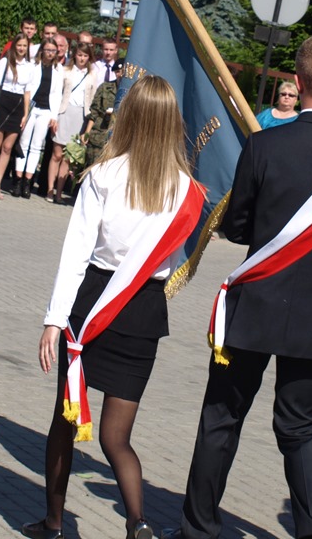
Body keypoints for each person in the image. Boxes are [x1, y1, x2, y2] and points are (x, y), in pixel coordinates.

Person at [164, 35, 312, 539]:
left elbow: (237, 226)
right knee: (301, 429)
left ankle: (198, 531)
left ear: (297, 82)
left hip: (256, 304)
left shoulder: (263, 145)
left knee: (221, 419)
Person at [24, 75, 205, 539]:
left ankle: (54, 523)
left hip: (92, 306)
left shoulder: (103, 174)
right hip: (144, 310)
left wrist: (53, 319)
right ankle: (137, 521)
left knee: (65, 421)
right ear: (172, 123)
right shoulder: (186, 189)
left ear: (130, 117)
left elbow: (77, 251)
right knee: (116, 437)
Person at [0, 33, 33, 199]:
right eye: (19, 45)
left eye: (24, 46)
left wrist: (25, 114)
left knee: (7, 148)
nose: (21, 48)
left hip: (18, 106)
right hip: (3, 102)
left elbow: (27, 92)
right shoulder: (5, 62)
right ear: (14, 46)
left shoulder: (29, 66)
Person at [48, 43, 99, 203]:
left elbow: (93, 98)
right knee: (57, 154)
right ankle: (50, 190)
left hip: (80, 116)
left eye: (85, 55)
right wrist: (54, 116)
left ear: (89, 57)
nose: (82, 58)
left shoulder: (92, 74)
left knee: (68, 158)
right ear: (74, 55)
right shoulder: (65, 71)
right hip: (64, 112)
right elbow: (56, 93)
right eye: (79, 55)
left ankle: (59, 193)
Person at [14, 38, 63, 198]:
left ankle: (28, 181)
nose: (50, 53)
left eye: (53, 51)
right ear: (42, 50)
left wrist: (54, 116)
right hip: (32, 107)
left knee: (36, 147)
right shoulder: (33, 66)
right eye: (47, 50)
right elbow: (27, 88)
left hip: (46, 110)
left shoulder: (58, 69)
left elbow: (57, 94)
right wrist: (25, 111)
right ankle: (18, 179)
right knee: (24, 143)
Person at [81, 61, 121, 166]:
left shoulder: (130, 91)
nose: (120, 74)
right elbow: (94, 112)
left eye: (122, 71)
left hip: (117, 138)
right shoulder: (105, 87)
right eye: (117, 71)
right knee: (91, 166)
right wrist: (87, 133)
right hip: (99, 134)